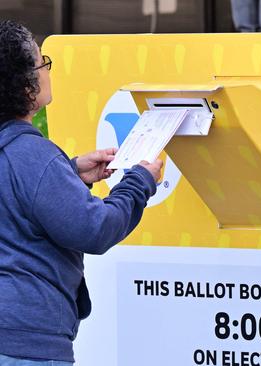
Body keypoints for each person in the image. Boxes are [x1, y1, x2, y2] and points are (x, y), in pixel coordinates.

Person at [0, 20, 163, 365]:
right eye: (41, 61)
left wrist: (70, 172)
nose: (46, 69)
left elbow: (14, 197)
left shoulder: (23, 158)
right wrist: (139, 182)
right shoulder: (33, 157)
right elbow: (94, 229)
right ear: (25, 86)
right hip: (27, 344)